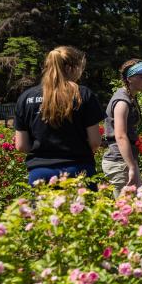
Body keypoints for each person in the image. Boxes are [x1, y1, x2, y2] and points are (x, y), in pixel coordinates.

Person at [14, 46, 104, 187]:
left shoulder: (26, 97)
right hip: (79, 171)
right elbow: (95, 141)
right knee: (81, 209)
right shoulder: (84, 94)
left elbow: (21, 145)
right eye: (80, 68)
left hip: (40, 173)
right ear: (69, 68)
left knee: (44, 210)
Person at [102, 59, 142, 198]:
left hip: (126, 160)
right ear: (129, 78)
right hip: (119, 162)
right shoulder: (122, 102)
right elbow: (120, 135)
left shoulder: (130, 97)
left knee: (136, 206)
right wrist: (131, 167)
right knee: (125, 210)